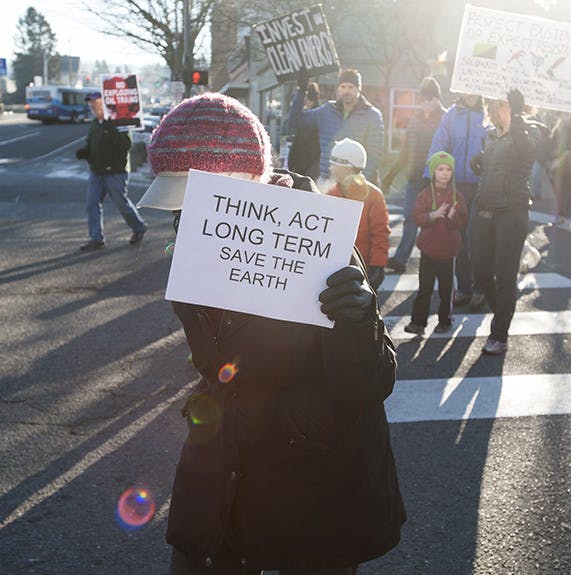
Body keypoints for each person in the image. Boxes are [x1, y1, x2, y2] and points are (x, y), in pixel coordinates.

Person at [136, 92, 406, 574]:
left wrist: (357, 320)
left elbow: (369, 384)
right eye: (177, 208)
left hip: (317, 475)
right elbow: (213, 362)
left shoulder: (319, 242)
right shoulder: (192, 247)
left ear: (240, 185)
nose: (180, 221)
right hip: (228, 455)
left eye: (190, 203)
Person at [469, 89, 539, 355]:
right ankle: (503, 310)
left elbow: (526, 153)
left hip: (512, 212)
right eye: (495, 105)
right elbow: (492, 169)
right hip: (485, 208)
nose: (498, 110)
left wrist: (518, 117)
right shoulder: (490, 135)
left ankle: (499, 334)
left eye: (505, 106)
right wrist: (481, 163)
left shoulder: (530, 131)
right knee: (481, 273)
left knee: (505, 277)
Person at [426, 93, 486, 309]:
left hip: (483, 187)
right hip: (457, 186)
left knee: (478, 239)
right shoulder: (452, 115)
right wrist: (431, 174)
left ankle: (481, 288)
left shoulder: (489, 111)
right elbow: (439, 145)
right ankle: (464, 288)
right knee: (458, 238)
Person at [383, 77, 446, 273]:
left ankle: (437, 259)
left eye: (429, 98)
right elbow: (406, 150)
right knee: (410, 217)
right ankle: (401, 259)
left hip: (435, 180)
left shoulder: (445, 118)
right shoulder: (415, 118)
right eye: (422, 99)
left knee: (434, 221)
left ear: (437, 98)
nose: (425, 103)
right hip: (413, 177)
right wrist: (392, 173)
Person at [404, 151, 468, 335]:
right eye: (440, 169)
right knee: (424, 288)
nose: (445, 173)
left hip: (448, 251)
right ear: (433, 172)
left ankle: (445, 320)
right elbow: (416, 217)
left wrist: (450, 218)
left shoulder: (457, 196)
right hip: (428, 250)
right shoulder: (424, 194)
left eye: (448, 169)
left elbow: (461, 222)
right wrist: (433, 215)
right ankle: (418, 322)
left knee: (446, 290)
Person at [74, 91, 147, 251]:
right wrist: (85, 152)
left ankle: (139, 227)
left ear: (106, 104)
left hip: (115, 172)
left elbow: (125, 145)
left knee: (121, 203)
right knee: (92, 204)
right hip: (97, 171)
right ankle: (96, 238)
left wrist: (111, 129)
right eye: (91, 104)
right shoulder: (95, 123)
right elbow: (91, 143)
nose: (93, 106)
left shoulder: (119, 122)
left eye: (97, 102)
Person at [288, 69, 385, 185]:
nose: (346, 91)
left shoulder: (372, 115)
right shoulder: (327, 110)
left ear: (359, 89)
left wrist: (359, 183)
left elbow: (374, 155)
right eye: (343, 87)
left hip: (356, 183)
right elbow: (295, 121)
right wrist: (302, 90)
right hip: (326, 182)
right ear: (338, 88)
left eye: (351, 87)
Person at [326, 138, 390, 291]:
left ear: (347, 167)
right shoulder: (330, 194)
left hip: (362, 268)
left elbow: (380, 232)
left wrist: (378, 265)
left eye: (334, 164)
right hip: (334, 267)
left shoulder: (373, 195)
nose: (331, 169)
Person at [284, 81, 321, 180]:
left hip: (306, 163)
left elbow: (293, 121)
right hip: (311, 164)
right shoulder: (318, 114)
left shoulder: (310, 117)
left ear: (306, 97)